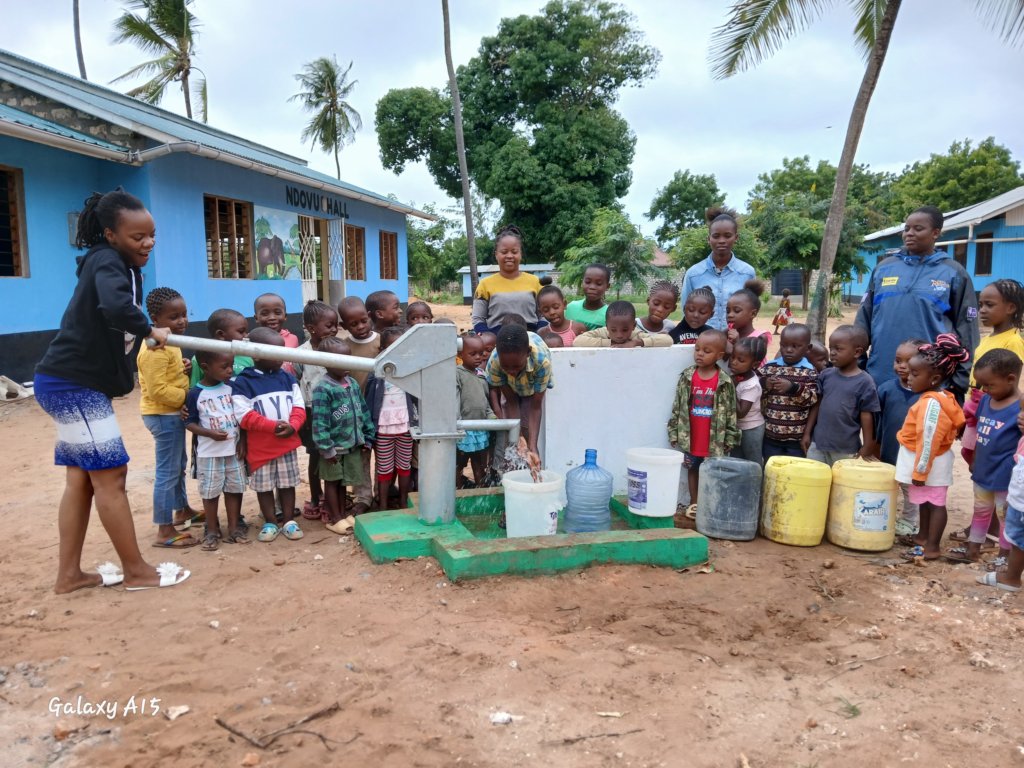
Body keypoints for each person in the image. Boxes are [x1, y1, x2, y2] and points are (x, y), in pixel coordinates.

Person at [34, 188, 189, 592]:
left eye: (151, 234)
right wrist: (150, 329)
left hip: (66, 383)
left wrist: (143, 335)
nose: (148, 243)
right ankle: (136, 570)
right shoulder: (107, 262)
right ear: (111, 235)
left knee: (82, 480)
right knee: (111, 476)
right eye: (137, 237)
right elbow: (116, 308)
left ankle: (69, 575)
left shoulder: (113, 263)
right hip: (74, 387)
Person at [855, 206, 979, 394]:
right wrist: (858, 366)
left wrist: (959, 380)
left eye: (918, 229)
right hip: (880, 377)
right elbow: (863, 320)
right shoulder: (884, 268)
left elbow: (967, 331)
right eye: (906, 229)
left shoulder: (953, 273)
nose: (909, 234)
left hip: (930, 381)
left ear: (935, 233)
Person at [896, 334, 968, 561]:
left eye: (915, 374)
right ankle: (922, 538)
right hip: (926, 464)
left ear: (935, 378)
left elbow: (929, 440)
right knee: (926, 504)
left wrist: (920, 471)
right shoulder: (939, 397)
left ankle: (932, 547)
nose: (909, 378)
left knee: (935, 504)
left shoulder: (931, 404)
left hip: (929, 465)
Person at [231, 327, 306, 543]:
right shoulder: (243, 382)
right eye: (275, 352)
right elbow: (243, 415)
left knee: (287, 484)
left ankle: (289, 521)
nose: (281, 357)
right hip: (260, 447)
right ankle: (271, 522)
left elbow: (299, 406)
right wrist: (271, 426)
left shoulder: (287, 378)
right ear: (255, 354)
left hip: (286, 444)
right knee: (264, 487)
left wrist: (293, 425)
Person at [946, 349, 1020, 564]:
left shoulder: (1021, 406)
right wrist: (975, 459)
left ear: (1011, 379)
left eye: (989, 385)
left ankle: (1004, 558)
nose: (985, 390)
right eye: (982, 385)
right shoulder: (986, 401)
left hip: (1006, 475)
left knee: (1005, 517)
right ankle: (973, 549)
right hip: (983, 470)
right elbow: (979, 432)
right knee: (980, 511)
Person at [137, 286, 198, 548]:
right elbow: (157, 390)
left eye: (184, 314)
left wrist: (183, 369)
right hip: (162, 415)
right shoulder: (154, 349)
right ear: (155, 319)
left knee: (177, 466)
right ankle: (164, 529)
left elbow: (169, 375)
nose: (182, 321)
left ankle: (182, 509)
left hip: (170, 413)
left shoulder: (170, 341)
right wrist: (188, 396)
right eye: (174, 317)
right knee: (167, 471)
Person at [668, 329, 740, 513]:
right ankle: (694, 503)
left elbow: (731, 412)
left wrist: (730, 438)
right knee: (692, 469)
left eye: (706, 351)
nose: (699, 353)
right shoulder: (687, 376)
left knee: (713, 473)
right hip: (691, 437)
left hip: (714, 440)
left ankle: (710, 506)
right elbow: (678, 406)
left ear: (719, 355)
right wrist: (674, 431)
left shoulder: (724, 381)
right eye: (697, 349)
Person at [184, 350, 247, 550]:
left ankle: (235, 527)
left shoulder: (232, 388)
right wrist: (209, 433)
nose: (230, 370)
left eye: (231, 365)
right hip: (208, 453)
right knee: (210, 492)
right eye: (224, 367)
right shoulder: (195, 393)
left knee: (234, 489)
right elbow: (189, 422)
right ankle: (211, 530)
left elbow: (241, 417)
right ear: (205, 367)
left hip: (233, 451)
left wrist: (242, 441)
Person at [312, 336, 376, 533]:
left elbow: (363, 410)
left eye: (349, 358)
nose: (347, 364)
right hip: (334, 447)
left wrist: (367, 435)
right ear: (326, 362)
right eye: (341, 360)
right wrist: (326, 448)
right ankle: (335, 517)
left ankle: (342, 514)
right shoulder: (323, 389)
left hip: (352, 444)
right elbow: (319, 422)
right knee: (331, 482)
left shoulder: (352, 383)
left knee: (343, 482)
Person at [961, 279, 1024, 466]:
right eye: (980, 305)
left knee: (983, 456)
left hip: (992, 409)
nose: (982, 310)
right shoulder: (987, 338)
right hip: (975, 407)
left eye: (989, 305)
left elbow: (1010, 383)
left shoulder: (1013, 341)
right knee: (970, 452)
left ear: (1010, 308)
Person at [805, 325, 880, 466]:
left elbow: (867, 415)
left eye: (838, 349)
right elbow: (817, 404)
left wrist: (867, 446)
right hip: (818, 445)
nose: (832, 353)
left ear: (857, 352)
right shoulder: (826, 375)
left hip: (845, 450)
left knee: (842, 485)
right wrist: (807, 433)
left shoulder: (865, 382)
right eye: (831, 348)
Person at [293, 300, 339, 522]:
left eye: (335, 325)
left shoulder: (338, 348)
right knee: (315, 454)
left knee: (335, 452)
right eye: (329, 325)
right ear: (312, 328)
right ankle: (315, 495)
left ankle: (336, 496)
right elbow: (296, 380)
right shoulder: (301, 354)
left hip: (336, 411)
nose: (334, 329)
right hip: (312, 412)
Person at [876, 339, 925, 540]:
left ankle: (909, 523)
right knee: (886, 487)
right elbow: (878, 421)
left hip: (913, 457)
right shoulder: (886, 389)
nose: (902, 366)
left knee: (911, 492)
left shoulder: (930, 395)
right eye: (898, 361)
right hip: (888, 451)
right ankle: (882, 518)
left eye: (908, 361)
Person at [365, 327, 418, 510]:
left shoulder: (409, 372)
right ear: (382, 349)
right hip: (383, 428)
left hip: (405, 427)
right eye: (391, 347)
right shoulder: (376, 374)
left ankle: (403, 502)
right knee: (384, 468)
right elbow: (370, 402)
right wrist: (369, 429)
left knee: (404, 466)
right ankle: (383, 504)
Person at [486, 324, 552, 473]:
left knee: (530, 438)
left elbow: (536, 406)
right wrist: (519, 438)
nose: (511, 372)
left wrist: (532, 445)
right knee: (516, 443)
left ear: (527, 353)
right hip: (511, 389)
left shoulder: (541, 362)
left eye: (516, 366)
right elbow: (511, 401)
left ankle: (533, 475)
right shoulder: (495, 363)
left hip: (532, 381)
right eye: (506, 367)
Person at [680, 206, 757, 331]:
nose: (721, 241)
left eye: (727, 236)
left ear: (736, 238)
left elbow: (750, 311)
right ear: (709, 239)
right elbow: (686, 311)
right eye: (716, 236)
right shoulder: (693, 274)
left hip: (735, 343)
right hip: (703, 344)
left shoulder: (747, 273)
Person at [337, 296, 380, 515]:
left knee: (382, 452)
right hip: (355, 412)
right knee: (360, 454)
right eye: (353, 324)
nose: (360, 327)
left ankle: (383, 491)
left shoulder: (381, 341)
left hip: (381, 410)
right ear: (344, 326)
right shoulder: (344, 347)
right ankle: (363, 497)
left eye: (363, 321)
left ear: (369, 316)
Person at [977, 415, 1024, 592]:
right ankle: (1011, 578)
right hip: (1018, 503)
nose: (1020, 415)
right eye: (1021, 409)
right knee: (1018, 541)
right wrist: (1010, 499)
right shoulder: (1022, 441)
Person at [759, 323, 819, 460]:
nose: (788, 350)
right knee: (771, 470)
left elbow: (813, 399)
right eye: (784, 345)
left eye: (795, 346)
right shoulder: (770, 367)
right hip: (770, 435)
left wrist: (793, 387)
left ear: (807, 348)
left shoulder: (809, 371)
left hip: (796, 439)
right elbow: (754, 385)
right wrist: (764, 383)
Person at [472, 225, 543, 333]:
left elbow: (543, 315)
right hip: (497, 340)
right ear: (496, 255)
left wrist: (540, 333)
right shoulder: (484, 284)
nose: (509, 256)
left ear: (521, 254)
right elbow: (478, 319)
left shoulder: (535, 282)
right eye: (504, 252)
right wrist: (488, 337)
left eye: (514, 252)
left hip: (531, 339)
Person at [456, 334, 495, 488]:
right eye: (473, 354)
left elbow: (485, 401)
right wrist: (456, 423)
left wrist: (491, 417)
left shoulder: (482, 375)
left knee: (479, 465)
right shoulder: (457, 373)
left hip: (480, 428)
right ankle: (458, 493)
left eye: (481, 353)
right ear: (460, 355)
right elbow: (455, 400)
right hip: (463, 429)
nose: (478, 357)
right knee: (458, 464)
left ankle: (480, 494)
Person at [188, 309, 254, 387]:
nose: (246, 336)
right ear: (221, 334)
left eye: (246, 331)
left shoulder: (247, 356)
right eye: (241, 331)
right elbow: (195, 389)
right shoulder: (199, 359)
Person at [729, 335, 767, 464]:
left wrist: (731, 388)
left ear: (755, 364)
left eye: (740, 360)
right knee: (736, 460)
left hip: (751, 429)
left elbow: (741, 412)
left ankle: (755, 484)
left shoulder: (751, 385)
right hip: (738, 428)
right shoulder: (736, 376)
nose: (734, 362)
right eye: (733, 357)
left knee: (753, 461)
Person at [574, 301, 674, 348]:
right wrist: (610, 343)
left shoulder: (635, 334)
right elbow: (577, 341)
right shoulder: (603, 332)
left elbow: (668, 340)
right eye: (613, 330)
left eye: (625, 330)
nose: (619, 335)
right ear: (607, 326)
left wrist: (637, 343)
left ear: (633, 326)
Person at [725, 280, 773, 365]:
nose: (730, 315)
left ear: (753, 313)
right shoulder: (726, 334)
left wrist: (737, 342)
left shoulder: (760, 338)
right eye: (728, 311)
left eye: (736, 311)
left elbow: (750, 363)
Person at [254, 293, 299, 375]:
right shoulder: (252, 340)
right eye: (265, 314)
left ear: (285, 316)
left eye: (277, 313)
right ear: (256, 318)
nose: (272, 317)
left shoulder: (293, 339)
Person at [565, 263, 611, 331]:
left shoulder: (610, 315)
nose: (592, 287)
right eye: (588, 282)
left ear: (607, 286)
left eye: (599, 284)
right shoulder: (571, 308)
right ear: (582, 283)